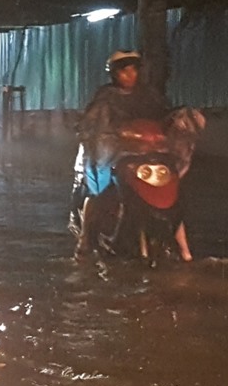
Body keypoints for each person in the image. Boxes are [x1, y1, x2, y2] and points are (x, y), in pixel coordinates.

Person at [75, 51, 181, 258]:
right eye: (124, 71)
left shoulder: (149, 95)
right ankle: (85, 239)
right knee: (97, 193)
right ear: (115, 74)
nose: (130, 76)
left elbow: (165, 117)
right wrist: (92, 131)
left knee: (175, 189)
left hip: (145, 155)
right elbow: (91, 122)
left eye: (134, 71)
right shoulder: (105, 97)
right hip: (114, 154)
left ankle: (182, 247)